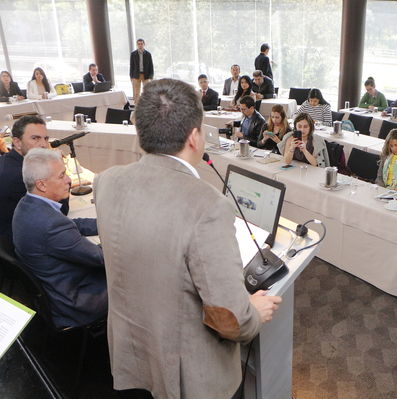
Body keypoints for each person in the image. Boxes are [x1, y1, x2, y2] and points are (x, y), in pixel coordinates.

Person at [93, 78, 281, 398]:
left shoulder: (107, 182)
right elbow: (230, 318)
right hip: (185, 375)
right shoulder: (207, 206)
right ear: (195, 137)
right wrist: (253, 311)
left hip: (131, 353)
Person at [12, 148, 106, 328]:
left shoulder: (26, 205)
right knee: (138, 273)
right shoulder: (52, 225)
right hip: (76, 302)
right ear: (42, 185)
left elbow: (73, 224)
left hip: (54, 292)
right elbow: (101, 258)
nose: (69, 180)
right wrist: (124, 235)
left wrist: (106, 224)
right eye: (62, 175)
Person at [0, 116, 69, 240]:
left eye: (46, 138)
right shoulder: (20, 175)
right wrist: (61, 174)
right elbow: (60, 212)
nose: (43, 144)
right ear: (17, 142)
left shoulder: (8, 160)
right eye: (35, 138)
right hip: (22, 245)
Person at [129, 38, 154, 105]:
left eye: (141, 44)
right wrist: (131, 76)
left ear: (144, 44)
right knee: (136, 93)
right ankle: (137, 107)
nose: (140, 45)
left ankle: (147, 106)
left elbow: (151, 65)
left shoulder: (148, 54)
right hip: (136, 75)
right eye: (138, 44)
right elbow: (131, 66)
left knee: (148, 91)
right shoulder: (133, 54)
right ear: (137, 45)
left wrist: (151, 77)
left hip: (146, 75)